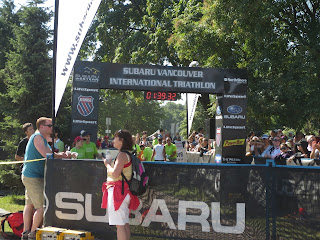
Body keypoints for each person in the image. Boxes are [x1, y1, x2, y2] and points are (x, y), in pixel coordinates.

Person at [21, 117, 68, 240]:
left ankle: (26, 233)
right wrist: (63, 156)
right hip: (33, 177)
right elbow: (47, 155)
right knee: (41, 207)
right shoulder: (37, 137)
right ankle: (32, 234)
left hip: (31, 175)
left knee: (30, 205)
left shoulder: (41, 138)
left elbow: (51, 154)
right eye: (49, 125)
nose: (52, 128)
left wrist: (61, 155)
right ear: (41, 126)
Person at [101, 129, 139, 240]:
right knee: (124, 223)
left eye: (115, 138)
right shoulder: (127, 154)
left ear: (121, 140)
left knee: (120, 225)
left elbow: (115, 173)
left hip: (118, 193)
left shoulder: (122, 155)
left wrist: (107, 164)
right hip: (124, 192)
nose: (113, 140)